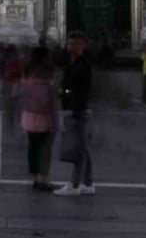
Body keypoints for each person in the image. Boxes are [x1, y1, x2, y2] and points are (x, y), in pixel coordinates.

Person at [55, 32, 94, 196]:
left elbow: (81, 91)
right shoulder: (74, 63)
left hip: (76, 110)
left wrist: (65, 93)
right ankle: (88, 183)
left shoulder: (82, 65)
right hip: (75, 108)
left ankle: (75, 185)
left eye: (76, 44)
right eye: (70, 43)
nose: (72, 46)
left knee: (78, 149)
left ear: (83, 46)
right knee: (83, 148)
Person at [18, 47, 58, 191]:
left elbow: (21, 95)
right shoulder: (47, 72)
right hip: (45, 116)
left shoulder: (27, 71)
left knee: (32, 147)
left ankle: (35, 177)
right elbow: (51, 97)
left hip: (28, 115)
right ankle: (44, 179)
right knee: (45, 148)